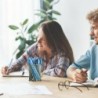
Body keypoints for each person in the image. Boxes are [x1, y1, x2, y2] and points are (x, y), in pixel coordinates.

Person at [1, 20, 74, 77]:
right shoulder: (35, 48)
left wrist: (39, 72)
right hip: (40, 87)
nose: (38, 40)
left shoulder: (62, 52)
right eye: (38, 36)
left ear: (52, 39)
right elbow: (19, 63)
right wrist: (8, 68)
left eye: (43, 38)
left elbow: (60, 72)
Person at [67, 8, 98, 83]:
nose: (90, 33)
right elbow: (71, 68)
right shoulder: (94, 49)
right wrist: (75, 74)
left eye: (94, 28)